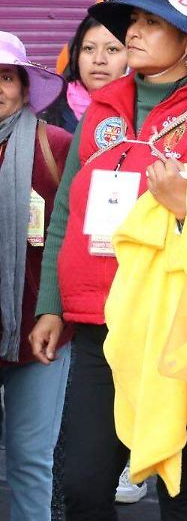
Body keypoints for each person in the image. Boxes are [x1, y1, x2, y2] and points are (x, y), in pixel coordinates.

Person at [31, 0, 187, 519]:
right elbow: (67, 211)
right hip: (96, 326)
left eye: (153, 23)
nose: (133, 32)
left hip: (178, 330)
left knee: (180, 491)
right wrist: (49, 306)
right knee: (83, 488)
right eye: (134, 19)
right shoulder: (101, 113)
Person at [0, 32, 72, 521]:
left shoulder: (56, 146)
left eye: (6, 77)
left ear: (25, 88)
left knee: (30, 462)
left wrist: (59, 309)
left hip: (39, 329)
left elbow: (77, 236)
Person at [41, 16, 128, 133]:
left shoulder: (146, 114)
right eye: (89, 48)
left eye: (112, 49)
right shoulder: (48, 115)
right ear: (76, 56)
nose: (99, 59)